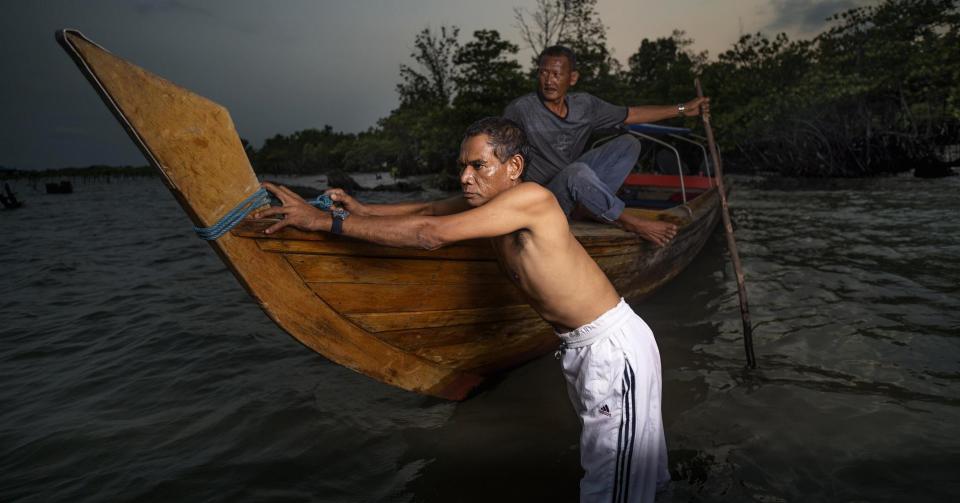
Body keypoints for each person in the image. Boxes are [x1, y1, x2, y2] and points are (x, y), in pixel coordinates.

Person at [255, 117, 669, 502]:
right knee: (631, 476)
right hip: (584, 349)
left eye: (478, 166)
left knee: (611, 489)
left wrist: (325, 223)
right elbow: (428, 210)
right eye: (461, 167)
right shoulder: (486, 202)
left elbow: (429, 233)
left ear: (514, 166)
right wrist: (362, 210)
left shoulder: (531, 199)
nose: (465, 177)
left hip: (612, 351)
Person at [504, 45, 709, 247]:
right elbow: (498, 155)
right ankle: (630, 221)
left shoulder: (585, 106)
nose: (549, 81)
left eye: (556, 74)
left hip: (576, 185)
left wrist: (684, 108)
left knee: (629, 144)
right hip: (546, 199)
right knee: (577, 172)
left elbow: (633, 114)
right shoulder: (521, 110)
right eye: (543, 73)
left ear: (573, 78)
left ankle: (590, 208)